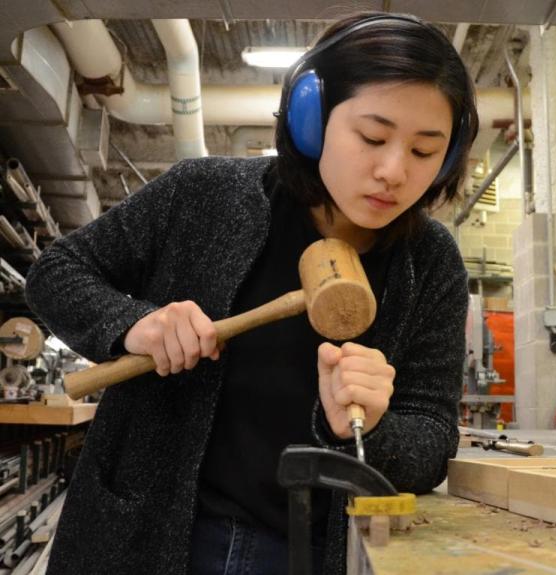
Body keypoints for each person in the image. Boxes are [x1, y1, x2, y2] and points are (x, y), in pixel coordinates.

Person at [25, 11, 478, 574]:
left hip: (310, 553)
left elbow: (431, 442)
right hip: (149, 535)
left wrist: (369, 425)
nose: (392, 170)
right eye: (373, 136)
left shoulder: (431, 264)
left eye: (423, 151)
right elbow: (56, 272)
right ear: (310, 119)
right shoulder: (204, 196)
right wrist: (132, 324)